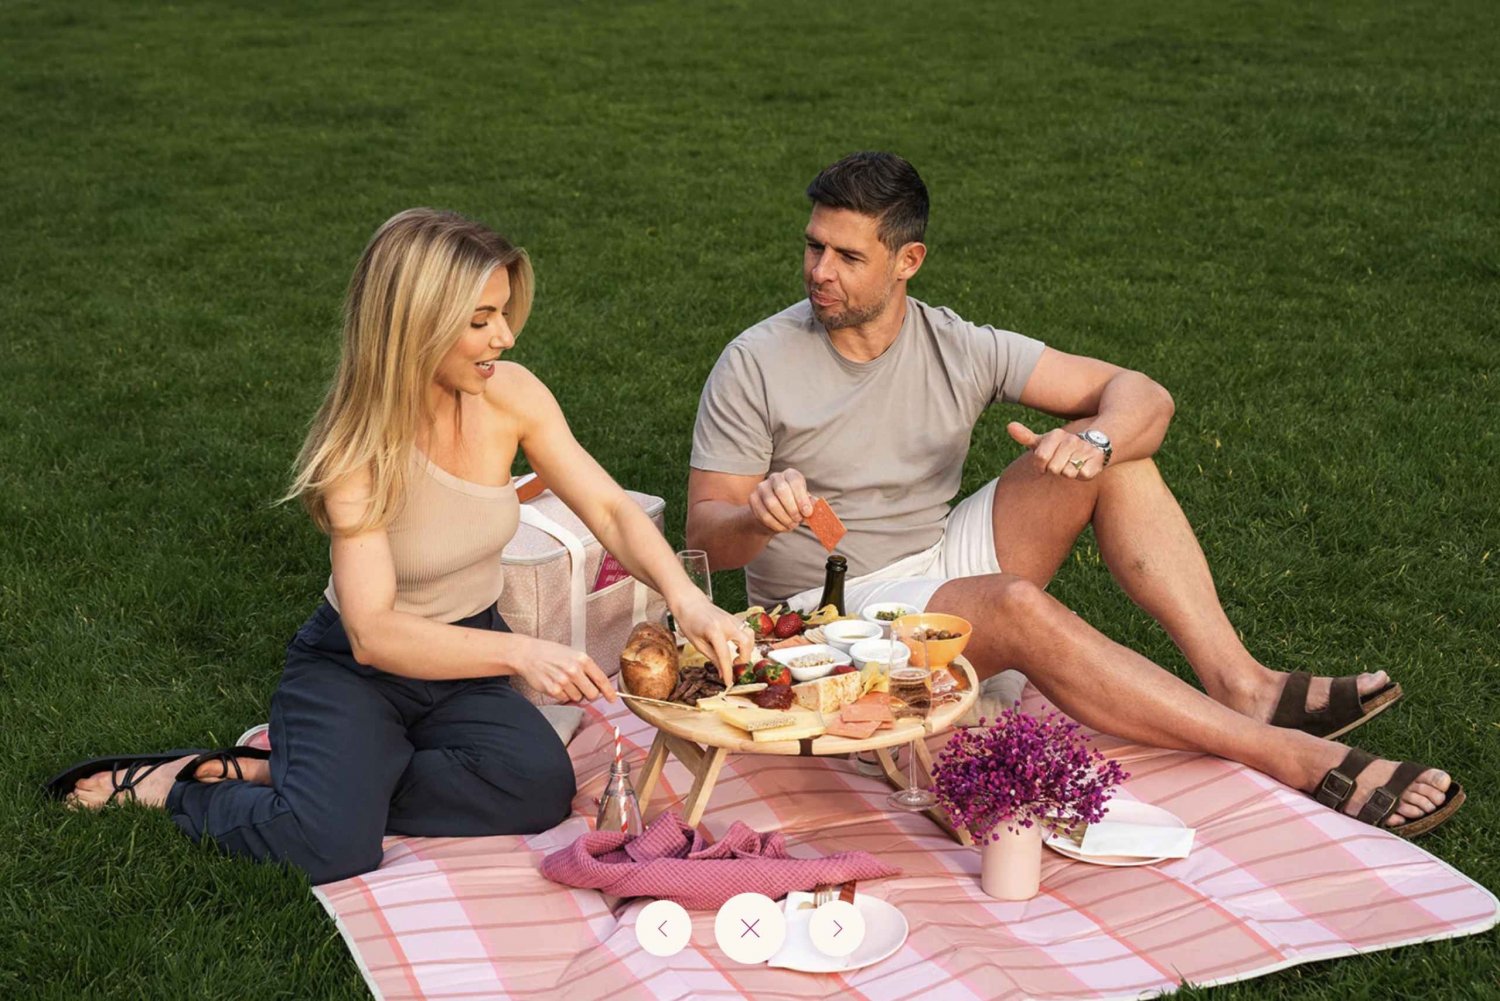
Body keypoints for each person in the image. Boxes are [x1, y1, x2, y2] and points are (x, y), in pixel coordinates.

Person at [685, 152, 1463, 836]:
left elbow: (1143, 396)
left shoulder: (958, 344)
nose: (819, 270)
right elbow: (703, 536)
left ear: (907, 260)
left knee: (1118, 455)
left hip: (933, 558)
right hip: (830, 619)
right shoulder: (756, 362)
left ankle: (1244, 684)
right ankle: (1289, 753)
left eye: (847, 255)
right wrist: (755, 516)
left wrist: (1091, 441)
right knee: (1017, 605)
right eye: (814, 246)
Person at [51, 209, 756, 883]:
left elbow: (609, 507)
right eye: (480, 321)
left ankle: (313, 775)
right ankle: (188, 786)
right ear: (414, 327)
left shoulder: (512, 397)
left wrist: (685, 597)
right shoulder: (355, 452)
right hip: (354, 668)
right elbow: (372, 632)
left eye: (504, 312)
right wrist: (520, 651)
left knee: (538, 788)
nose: (505, 336)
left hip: (465, 651)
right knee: (331, 846)